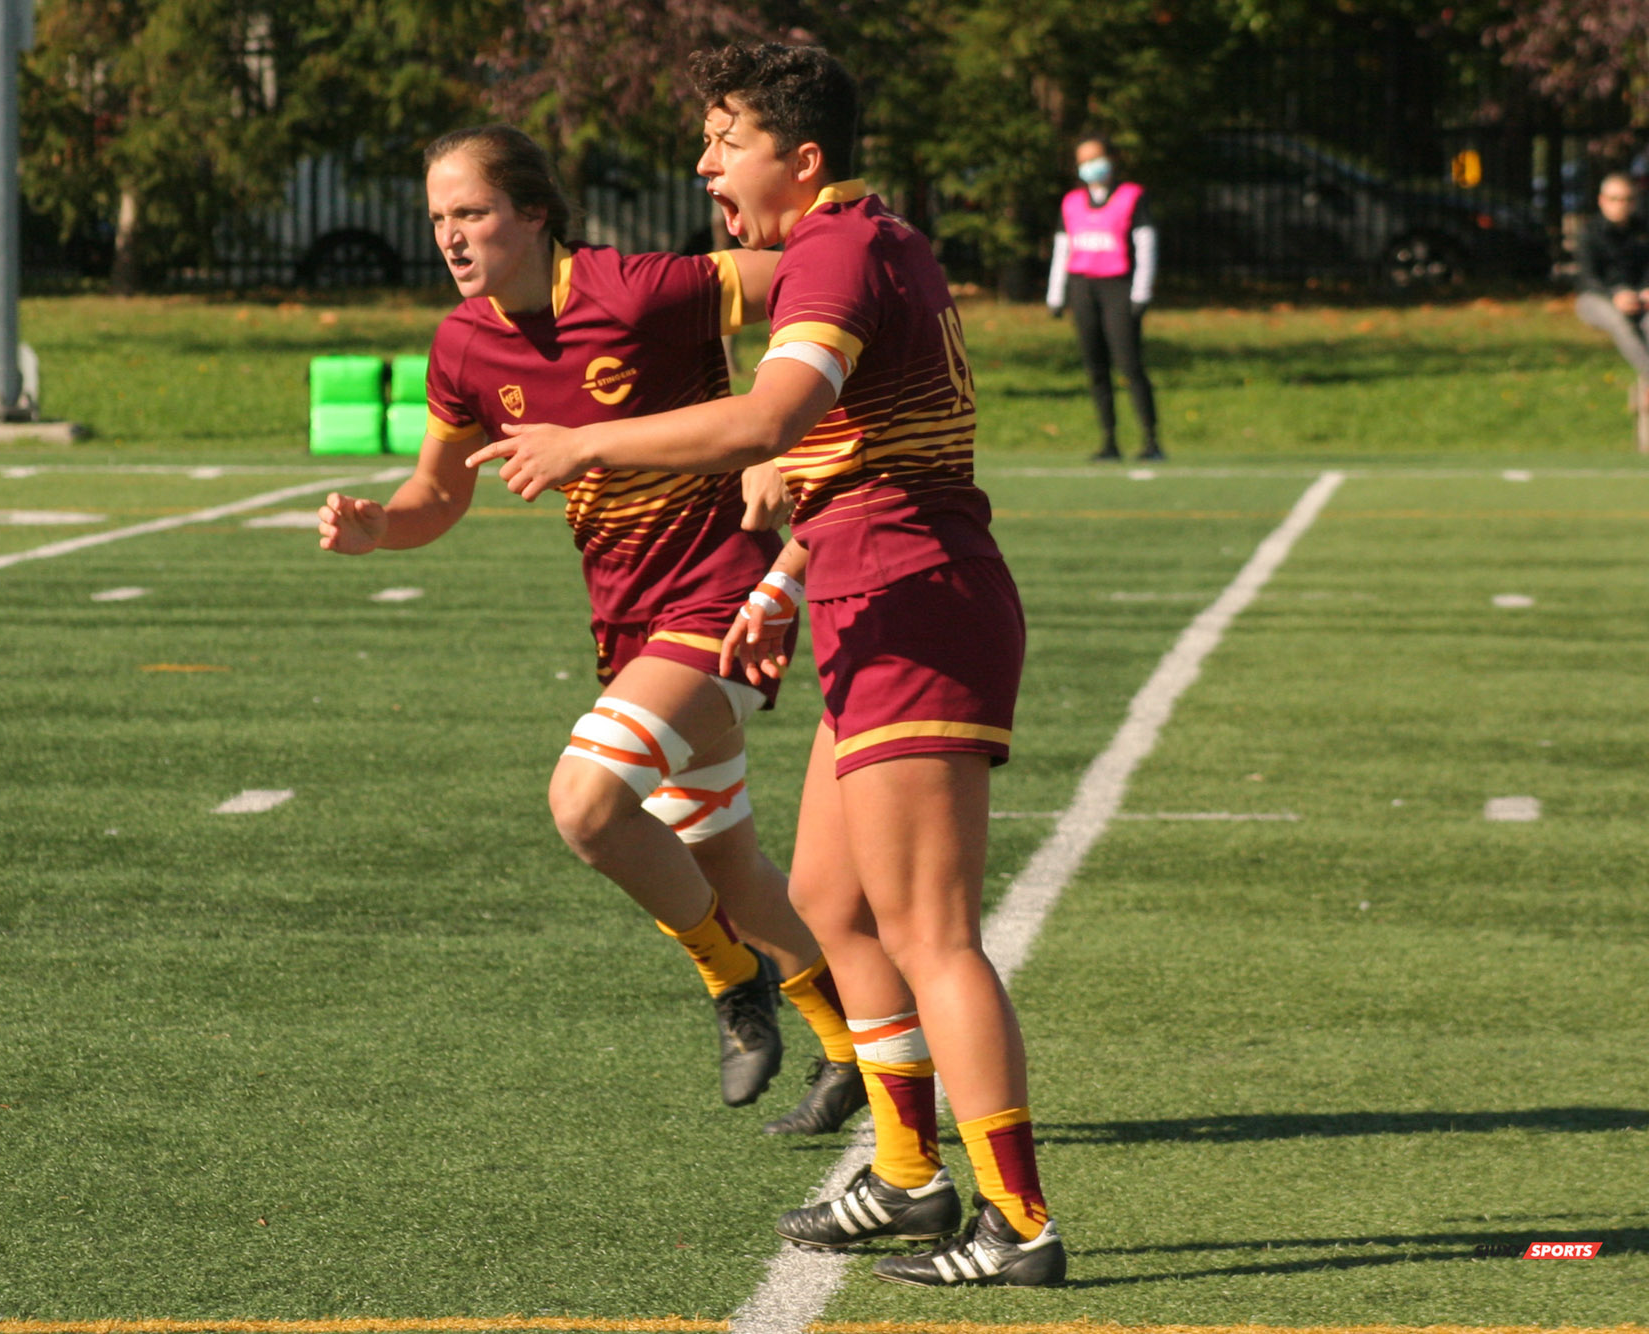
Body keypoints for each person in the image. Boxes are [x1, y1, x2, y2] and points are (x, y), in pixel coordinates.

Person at [468, 44, 1065, 1288]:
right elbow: (857, 454)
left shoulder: (837, 251)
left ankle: (1016, 1225)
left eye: (722, 141)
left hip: (911, 596)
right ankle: (906, 1179)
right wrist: (785, 580)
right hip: (872, 584)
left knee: (930, 930)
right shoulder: (866, 244)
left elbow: (768, 423)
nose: (702, 166)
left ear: (801, 160)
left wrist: (587, 439)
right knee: (836, 906)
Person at [315, 124, 867, 1134]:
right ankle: (856, 1050)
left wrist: (782, 433)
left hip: (724, 602)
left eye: (471, 212)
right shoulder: (462, 343)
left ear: (533, 213)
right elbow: (436, 495)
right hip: (627, 625)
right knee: (724, 865)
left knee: (582, 802)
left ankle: (730, 980)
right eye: (436, 218)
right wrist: (378, 529)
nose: (450, 235)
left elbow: (822, 276)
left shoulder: (642, 288)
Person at [1046, 135, 1162, 462]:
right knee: (1095, 367)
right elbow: (1062, 249)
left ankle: (1151, 439)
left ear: (1111, 159)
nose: (1090, 166)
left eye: (1095, 158)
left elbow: (1146, 245)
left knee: (1129, 365)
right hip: (1084, 288)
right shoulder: (1071, 202)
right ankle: (1109, 439)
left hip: (1118, 288)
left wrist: (1141, 292)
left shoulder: (1131, 197)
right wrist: (1056, 295)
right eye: (1083, 161)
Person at [1572, 171, 1649, 447]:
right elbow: (1588, 278)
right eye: (1615, 199)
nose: (1621, 205)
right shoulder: (1589, 232)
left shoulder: (1642, 229)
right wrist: (1616, 294)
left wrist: (1645, 290)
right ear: (1603, 201)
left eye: (1627, 199)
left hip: (1638, 299)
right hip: (1597, 299)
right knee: (1620, 322)